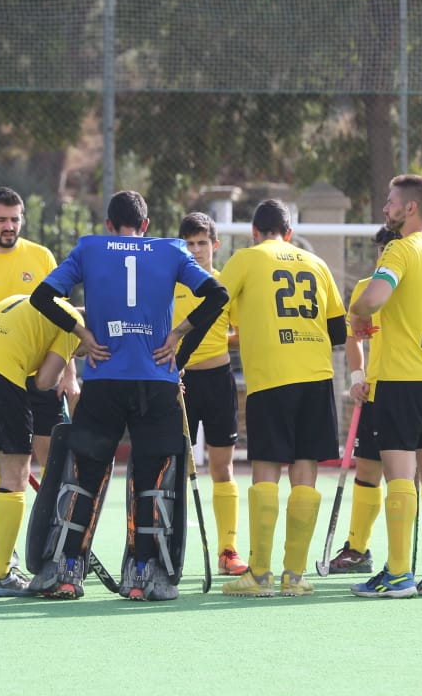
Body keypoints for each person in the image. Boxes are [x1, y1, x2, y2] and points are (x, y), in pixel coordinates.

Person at [29, 190, 228, 602]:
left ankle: (67, 571)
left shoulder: (89, 248)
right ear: (146, 226)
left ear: (108, 224)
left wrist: (82, 333)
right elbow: (217, 296)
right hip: (156, 379)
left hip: (104, 379)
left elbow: (43, 296)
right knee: (152, 478)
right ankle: (145, 574)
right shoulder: (172, 250)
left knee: (84, 474)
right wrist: (178, 343)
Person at [218, 199, 347, 598]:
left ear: (255, 232)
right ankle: (295, 575)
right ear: (289, 234)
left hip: (272, 377)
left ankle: (259, 576)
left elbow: (213, 304)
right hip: (316, 375)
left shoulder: (246, 258)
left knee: (267, 468)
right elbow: (338, 333)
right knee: (305, 468)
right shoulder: (316, 263)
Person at [346, 175, 422, 599]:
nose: (385, 209)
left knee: (399, 475)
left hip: (403, 378)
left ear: (410, 208)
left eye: (391, 202)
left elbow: (375, 298)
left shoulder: (401, 248)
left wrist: (357, 312)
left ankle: (398, 574)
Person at [0, 293, 85, 597]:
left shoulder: (24, 300)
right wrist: (65, 356)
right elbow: (45, 382)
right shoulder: (75, 324)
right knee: (15, 472)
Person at [0, 187, 78, 516]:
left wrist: (69, 376)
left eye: (14, 219)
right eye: (1, 220)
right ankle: (5, 552)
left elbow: (64, 320)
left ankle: (58, 539)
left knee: (54, 456)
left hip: (42, 374)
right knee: (3, 460)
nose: (9, 226)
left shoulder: (41, 257)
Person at [173, 212, 248, 577]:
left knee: (222, 467)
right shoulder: (168, 284)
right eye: (189, 243)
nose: (197, 249)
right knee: (171, 470)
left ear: (215, 246)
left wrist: (219, 342)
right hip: (176, 384)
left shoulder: (223, 284)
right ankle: (165, 549)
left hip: (218, 381)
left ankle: (228, 550)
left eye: (202, 242)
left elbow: (239, 331)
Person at [326, 225, 402, 575]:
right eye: (381, 252)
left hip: (415, 387)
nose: (383, 257)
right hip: (377, 389)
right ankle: (357, 548)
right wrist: (357, 379)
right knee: (369, 468)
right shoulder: (366, 290)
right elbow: (354, 337)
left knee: (417, 475)